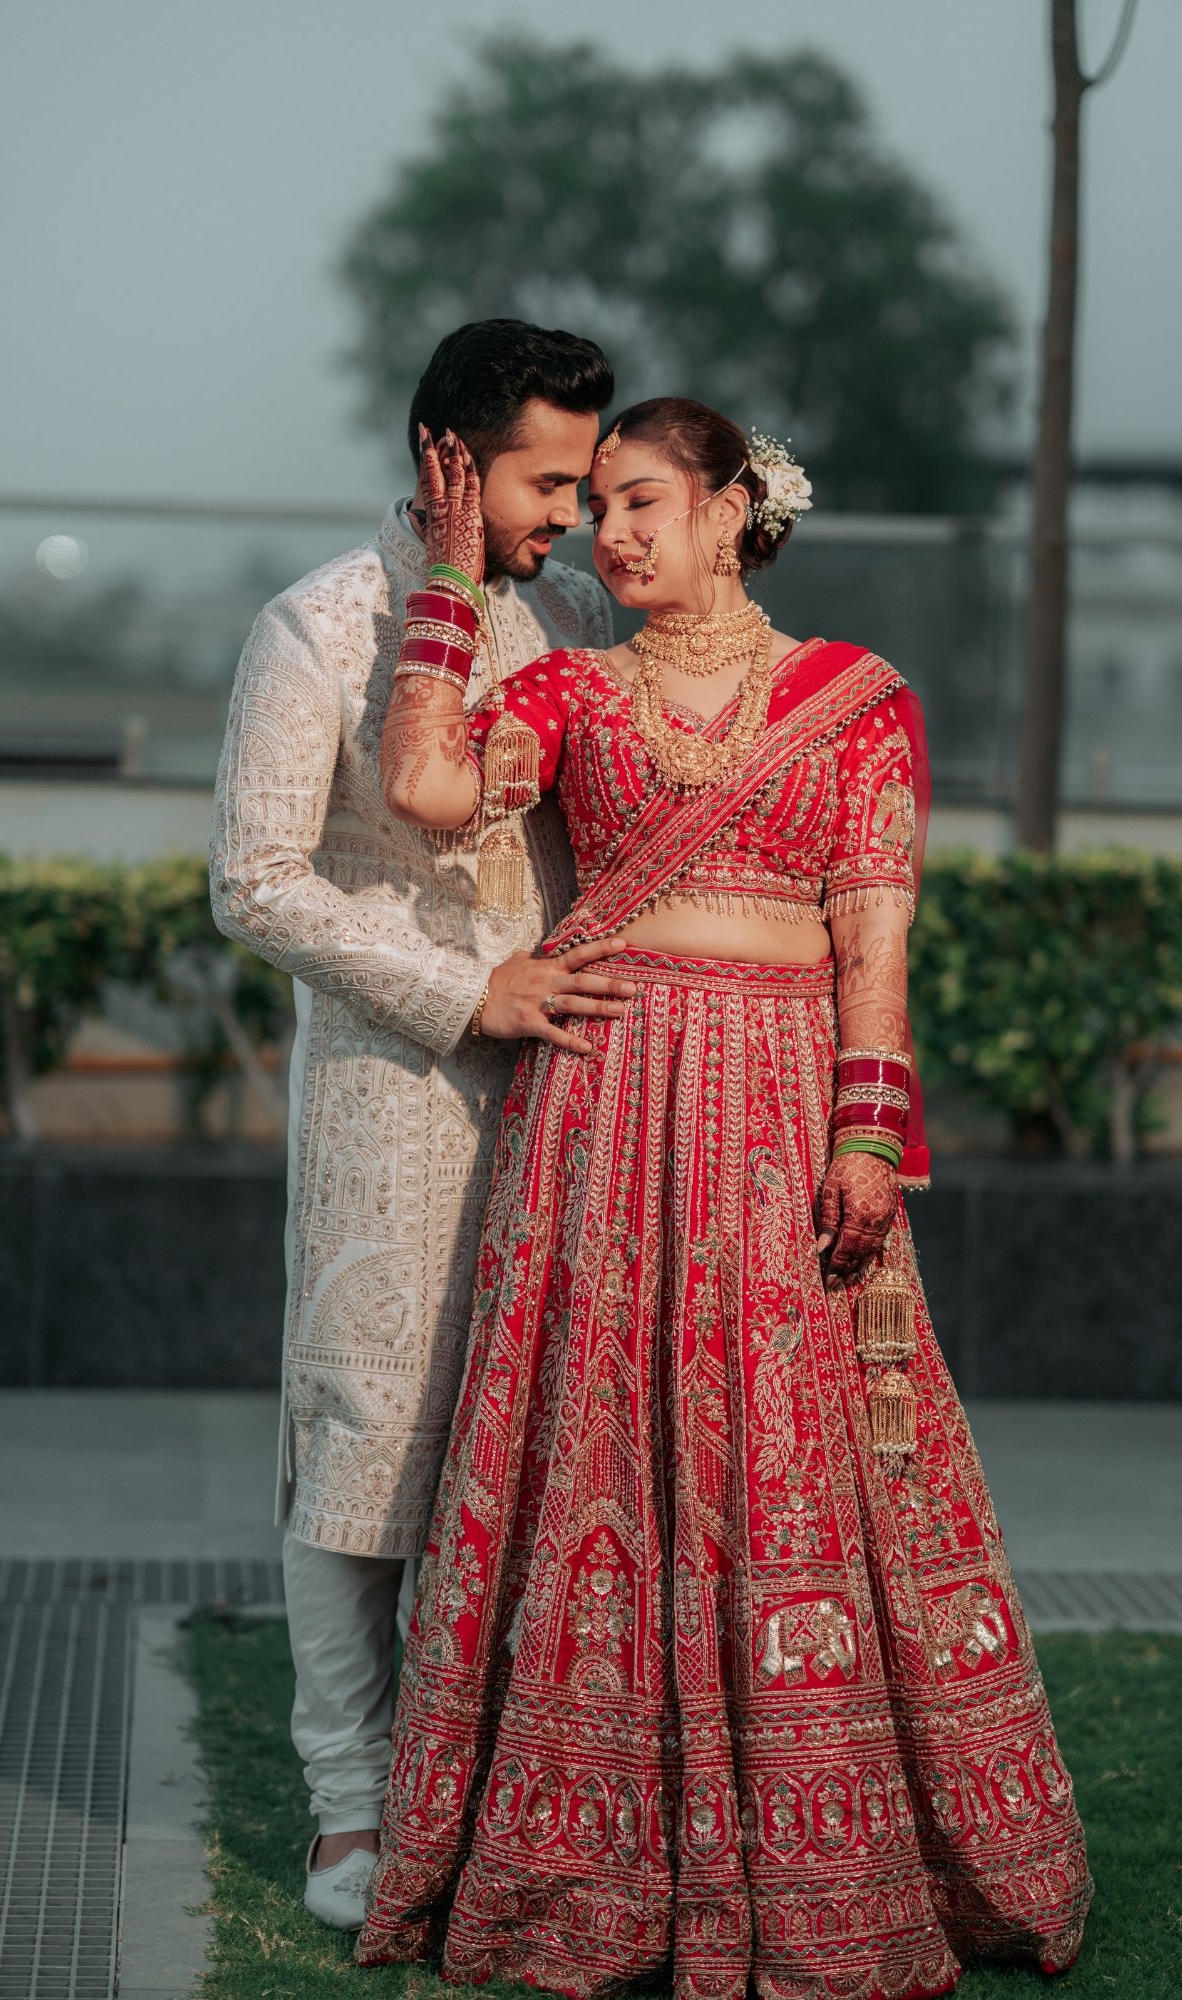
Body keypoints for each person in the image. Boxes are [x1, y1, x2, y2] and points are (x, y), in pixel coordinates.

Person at [354, 399, 1092, 1996]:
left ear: (734, 506)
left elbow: (868, 938)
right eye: (596, 506)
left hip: (772, 1104)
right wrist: (447, 580)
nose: (611, 534)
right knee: (604, 1451)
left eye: (640, 501)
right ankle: (587, 1857)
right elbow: (423, 791)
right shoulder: (563, 684)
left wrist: (871, 1132)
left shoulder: (852, 700)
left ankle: (833, 1854)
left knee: (792, 1451)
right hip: (601, 1117)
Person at [210, 320, 641, 1930]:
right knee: (365, 1437)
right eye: (549, 479)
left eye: (593, 481)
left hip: (578, 1086)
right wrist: (468, 992)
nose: (577, 515)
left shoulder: (589, 617)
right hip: (396, 1093)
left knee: (536, 1445)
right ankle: (346, 1812)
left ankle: (509, 1794)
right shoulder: (317, 627)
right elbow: (254, 881)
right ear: (446, 462)